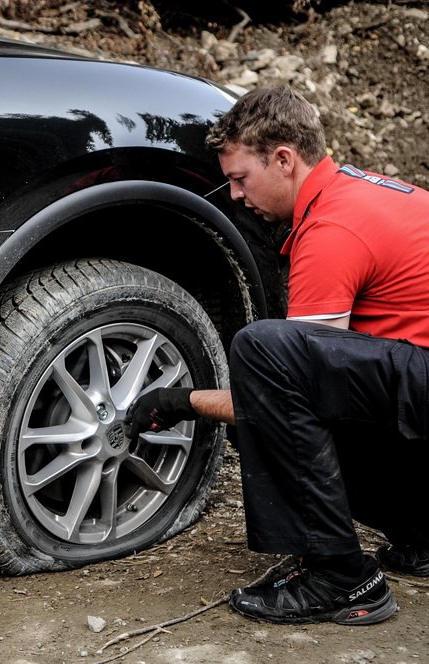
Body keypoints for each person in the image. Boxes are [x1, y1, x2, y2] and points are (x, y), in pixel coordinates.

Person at [124, 85, 429, 626]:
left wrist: (180, 401)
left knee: (264, 351)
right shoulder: (365, 191)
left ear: (284, 160)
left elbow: (292, 390)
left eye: (241, 178)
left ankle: (342, 578)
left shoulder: (332, 230)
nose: (236, 195)